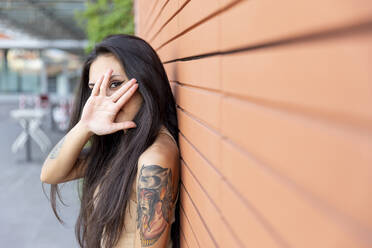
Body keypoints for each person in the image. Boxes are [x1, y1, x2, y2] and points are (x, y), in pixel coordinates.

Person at [40, 34, 180, 248]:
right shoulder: (120, 142)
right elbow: (50, 173)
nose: (104, 99)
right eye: (95, 89)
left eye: (115, 84)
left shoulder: (154, 158)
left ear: (146, 81)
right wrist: (84, 126)